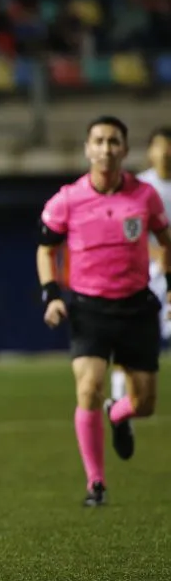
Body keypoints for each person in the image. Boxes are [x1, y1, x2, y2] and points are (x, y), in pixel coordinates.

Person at [38, 116, 171, 506]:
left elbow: (165, 240)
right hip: (89, 308)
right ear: (87, 148)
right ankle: (95, 483)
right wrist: (52, 294)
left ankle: (119, 413)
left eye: (114, 141)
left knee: (145, 404)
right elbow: (46, 250)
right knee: (89, 387)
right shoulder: (67, 199)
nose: (106, 148)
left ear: (124, 150)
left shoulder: (145, 196)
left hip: (136, 307)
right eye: (98, 141)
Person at [111, 126, 171, 407]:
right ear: (150, 152)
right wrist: (156, 252)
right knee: (131, 341)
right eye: (160, 146)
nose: (166, 152)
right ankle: (118, 399)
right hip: (144, 275)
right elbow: (129, 233)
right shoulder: (139, 189)